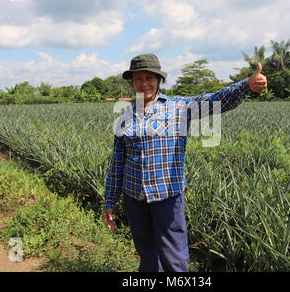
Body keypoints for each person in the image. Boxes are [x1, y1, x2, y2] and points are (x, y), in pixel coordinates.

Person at [103, 53, 267, 272]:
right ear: (132, 83)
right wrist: (110, 200)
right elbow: (117, 163)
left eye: (149, 78)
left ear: (159, 81)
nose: (144, 84)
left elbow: (215, 101)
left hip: (167, 197)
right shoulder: (125, 117)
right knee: (147, 255)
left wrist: (245, 85)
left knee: (174, 259)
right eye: (138, 79)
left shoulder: (178, 107)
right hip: (134, 197)